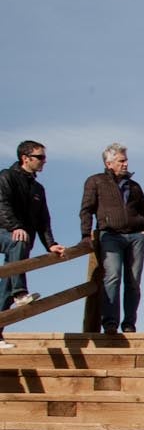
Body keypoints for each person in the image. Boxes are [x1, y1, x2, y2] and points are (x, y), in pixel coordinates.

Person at [80, 142, 144, 334]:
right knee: (112, 277)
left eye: (126, 160)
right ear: (109, 163)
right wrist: (86, 235)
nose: (126, 164)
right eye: (121, 161)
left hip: (135, 237)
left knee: (134, 281)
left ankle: (129, 324)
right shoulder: (96, 181)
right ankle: (110, 323)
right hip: (110, 235)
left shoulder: (134, 186)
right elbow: (86, 209)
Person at [0, 141, 66, 348]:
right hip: (6, 231)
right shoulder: (6, 176)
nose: (44, 161)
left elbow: (43, 220)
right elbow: (2, 204)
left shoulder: (38, 188)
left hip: (22, 238)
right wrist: (15, 227)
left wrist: (51, 244)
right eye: (40, 157)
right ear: (25, 158)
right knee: (17, 241)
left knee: (5, 287)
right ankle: (20, 292)